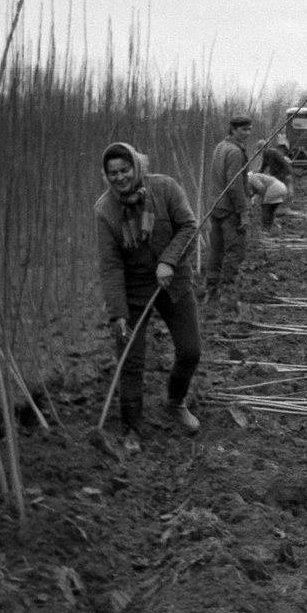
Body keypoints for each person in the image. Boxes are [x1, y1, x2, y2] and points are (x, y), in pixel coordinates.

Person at [95, 142, 202, 450]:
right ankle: (131, 428)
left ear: (137, 167)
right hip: (133, 290)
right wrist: (118, 312)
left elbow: (189, 227)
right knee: (130, 361)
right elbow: (110, 265)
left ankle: (175, 402)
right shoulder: (105, 211)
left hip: (173, 282)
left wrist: (168, 261)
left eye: (125, 170)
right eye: (112, 173)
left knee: (190, 351)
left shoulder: (165, 188)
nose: (120, 177)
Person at [206, 114, 252, 326]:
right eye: (243, 129)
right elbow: (235, 186)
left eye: (249, 129)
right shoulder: (235, 152)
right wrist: (243, 211)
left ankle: (211, 290)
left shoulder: (220, 147)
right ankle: (226, 291)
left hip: (216, 207)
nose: (247, 133)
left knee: (217, 250)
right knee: (236, 251)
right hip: (230, 209)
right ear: (233, 129)